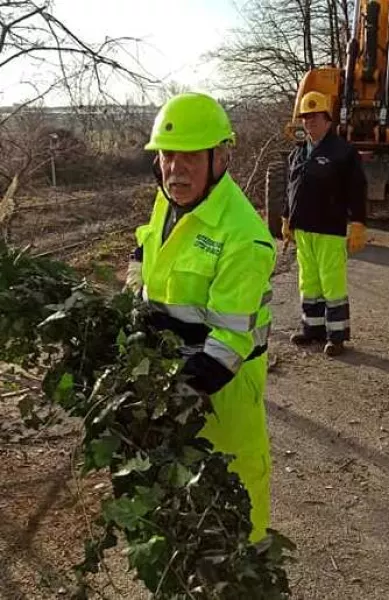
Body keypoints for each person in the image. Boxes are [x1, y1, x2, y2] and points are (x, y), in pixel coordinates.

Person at [125, 92, 275, 542]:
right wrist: (136, 272)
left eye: (191, 155)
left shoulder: (243, 237)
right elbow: (154, 245)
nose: (176, 167)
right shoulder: (171, 200)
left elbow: (226, 347)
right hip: (174, 379)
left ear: (221, 157)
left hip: (222, 396)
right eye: (169, 155)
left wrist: (168, 400)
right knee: (183, 513)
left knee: (235, 508)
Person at [282, 91, 367, 357]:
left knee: (332, 283)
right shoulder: (298, 153)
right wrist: (287, 218)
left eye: (315, 118)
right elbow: (291, 189)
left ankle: (337, 335)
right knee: (309, 281)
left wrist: (358, 223)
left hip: (330, 228)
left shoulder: (343, 152)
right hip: (303, 228)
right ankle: (312, 329)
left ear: (328, 120)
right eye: (305, 118)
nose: (309, 123)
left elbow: (357, 189)